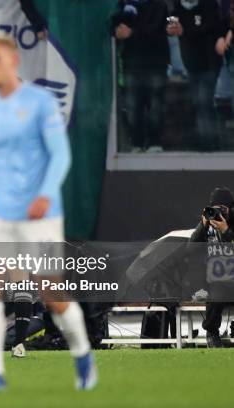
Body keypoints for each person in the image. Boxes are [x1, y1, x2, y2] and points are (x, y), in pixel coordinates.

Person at [0, 33, 97, 392]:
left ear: (14, 61)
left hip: (40, 213)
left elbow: (60, 155)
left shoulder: (40, 103)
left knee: (51, 293)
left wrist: (45, 193)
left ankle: (82, 353)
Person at [111, 0, 169, 152]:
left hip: (156, 63)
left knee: (155, 106)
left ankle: (155, 142)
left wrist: (132, 32)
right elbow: (113, 23)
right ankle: (136, 142)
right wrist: (116, 31)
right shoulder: (124, 5)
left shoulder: (160, 5)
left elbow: (157, 27)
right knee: (132, 107)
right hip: (131, 62)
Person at [168, 0, 223, 150]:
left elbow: (208, 27)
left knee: (204, 101)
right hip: (191, 64)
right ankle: (207, 140)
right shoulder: (178, 6)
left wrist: (184, 31)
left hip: (209, 62)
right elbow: (172, 17)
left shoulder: (209, 5)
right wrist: (172, 26)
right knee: (198, 103)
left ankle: (209, 143)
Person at [189, 187, 234, 348]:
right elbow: (191, 248)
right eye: (215, 209)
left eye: (223, 209)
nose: (219, 213)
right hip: (215, 279)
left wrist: (226, 231)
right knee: (218, 288)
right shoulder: (208, 223)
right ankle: (212, 333)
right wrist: (202, 225)